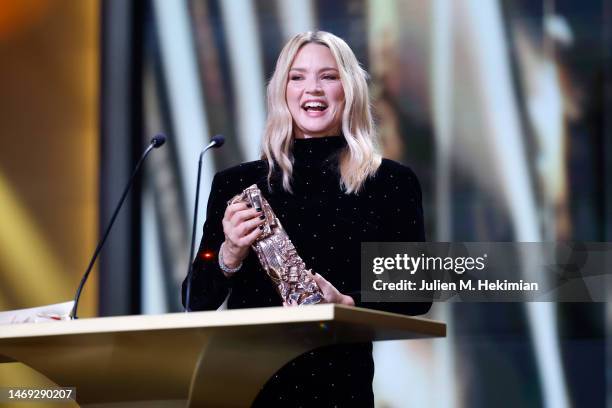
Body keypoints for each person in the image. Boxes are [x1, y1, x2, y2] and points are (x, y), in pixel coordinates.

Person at [182, 31, 430, 407]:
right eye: (297, 77)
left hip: (337, 388)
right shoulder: (236, 183)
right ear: (281, 91)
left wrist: (348, 305)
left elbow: (417, 295)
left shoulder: (390, 183)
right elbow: (193, 299)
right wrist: (229, 253)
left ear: (349, 89)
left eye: (328, 77)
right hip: (246, 391)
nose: (311, 89)